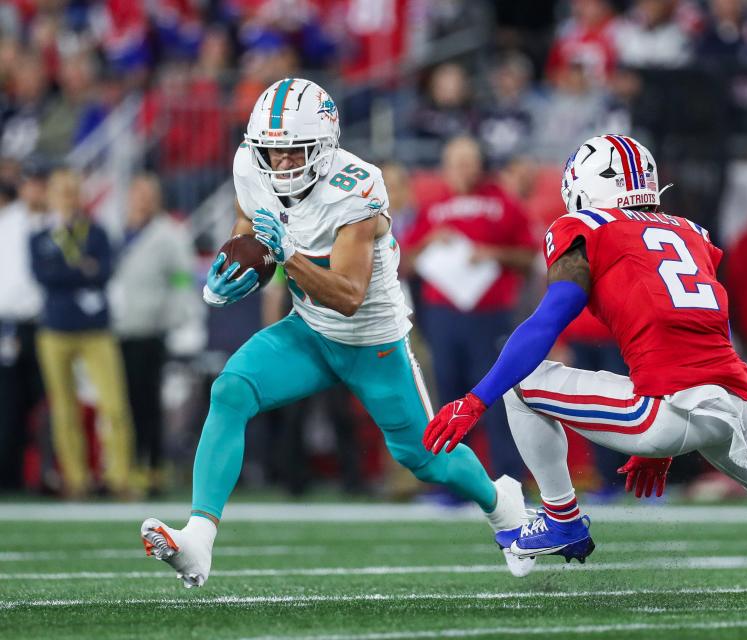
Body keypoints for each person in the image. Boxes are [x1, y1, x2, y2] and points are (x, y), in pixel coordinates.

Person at [422, 134, 747, 602]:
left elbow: (543, 325)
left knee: (521, 383)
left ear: (583, 186)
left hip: (665, 408)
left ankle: (561, 518)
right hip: (728, 402)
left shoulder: (584, 227)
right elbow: (681, 324)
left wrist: (475, 399)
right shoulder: (689, 230)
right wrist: (664, 437)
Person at [140, 78, 530, 588]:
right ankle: (197, 540)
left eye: (293, 150)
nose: (280, 163)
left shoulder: (357, 185)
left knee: (424, 459)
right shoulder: (249, 164)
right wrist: (238, 261)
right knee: (229, 391)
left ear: (324, 147)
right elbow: (249, 218)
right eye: (271, 151)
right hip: (308, 330)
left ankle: (503, 506)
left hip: (372, 342)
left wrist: (287, 257)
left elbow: (347, 296)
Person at [403, 136, 536, 481]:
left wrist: (492, 253)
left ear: (480, 164)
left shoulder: (503, 202)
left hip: (490, 315)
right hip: (443, 315)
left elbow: (529, 255)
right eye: (455, 162)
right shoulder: (432, 208)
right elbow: (402, 262)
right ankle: (454, 480)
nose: (462, 169)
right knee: (447, 394)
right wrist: (429, 241)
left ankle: (509, 479)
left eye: (468, 161)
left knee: (497, 400)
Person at [30, 168, 134, 499]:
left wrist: (70, 272)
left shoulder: (97, 233)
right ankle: (76, 480)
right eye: (62, 193)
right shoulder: (39, 237)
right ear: (51, 197)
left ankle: (118, 477)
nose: (68, 199)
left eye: (73, 192)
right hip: (55, 329)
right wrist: (81, 270)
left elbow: (105, 271)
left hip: (95, 330)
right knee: (63, 409)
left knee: (113, 404)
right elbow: (44, 277)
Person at [110, 173, 196, 495]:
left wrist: (173, 316)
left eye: (147, 194)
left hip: (150, 328)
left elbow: (181, 278)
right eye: (137, 194)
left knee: (146, 402)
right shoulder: (122, 231)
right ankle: (127, 467)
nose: (141, 200)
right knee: (122, 403)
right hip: (119, 327)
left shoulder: (169, 234)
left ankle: (153, 468)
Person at [0, 158, 48, 491]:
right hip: (12, 323)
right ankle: (9, 474)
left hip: (47, 322)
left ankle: (45, 475)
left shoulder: (57, 221)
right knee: (10, 402)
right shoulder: (8, 223)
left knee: (47, 403)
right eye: (32, 181)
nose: (36, 188)